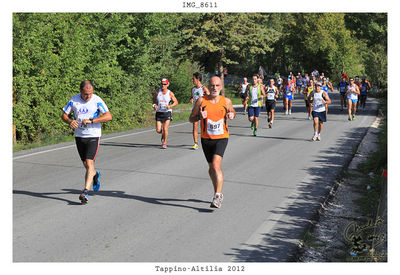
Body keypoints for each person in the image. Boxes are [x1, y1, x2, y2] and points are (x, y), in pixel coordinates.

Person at [61, 80, 112, 204]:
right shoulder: (73, 100)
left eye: (90, 93)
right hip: (79, 136)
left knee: (89, 163)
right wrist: (69, 121)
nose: (88, 96)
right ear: (80, 91)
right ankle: (95, 174)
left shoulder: (97, 100)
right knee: (86, 165)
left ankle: (85, 192)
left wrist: (92, 120)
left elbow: (108, 116)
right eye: (85, 94)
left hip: (94, 135)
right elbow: (64, 115)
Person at [189, 76, 236, 209]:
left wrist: (232, 115)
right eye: (212, 86)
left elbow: (232, 111)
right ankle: (216, 190)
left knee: (216, 165)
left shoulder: (226, 101)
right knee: (211, 169)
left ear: (221, 87)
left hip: (221, 138)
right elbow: (191, 119)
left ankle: (218, 195)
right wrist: (199, 116)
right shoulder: (201, 101)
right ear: (208, 87)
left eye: (217, 86)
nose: (214, 88)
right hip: (206, 139)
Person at [153, 78, 178, 149]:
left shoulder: (170, 93)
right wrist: (154, 105)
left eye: (165, 84)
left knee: (165, 128)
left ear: (168, 84)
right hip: (159, 112)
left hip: (167, 112)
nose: (163, 85)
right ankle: (163, 133)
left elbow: (176, 102)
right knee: (158, 130)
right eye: (162, 84)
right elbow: (154, 101)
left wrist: (170, 106)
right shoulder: (157, 92)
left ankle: (164, 142)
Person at [190, 73, 210, 150]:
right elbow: (192, 97)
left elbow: (210, 98)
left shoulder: (204, 88)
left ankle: (207, 140)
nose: (192, 80)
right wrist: (191, 99)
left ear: (198, 79)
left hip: (203, 110)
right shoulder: (192, 89)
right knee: (195, 126)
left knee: (205, 126)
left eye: (193, 79)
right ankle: (195, 143)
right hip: (195, 110)